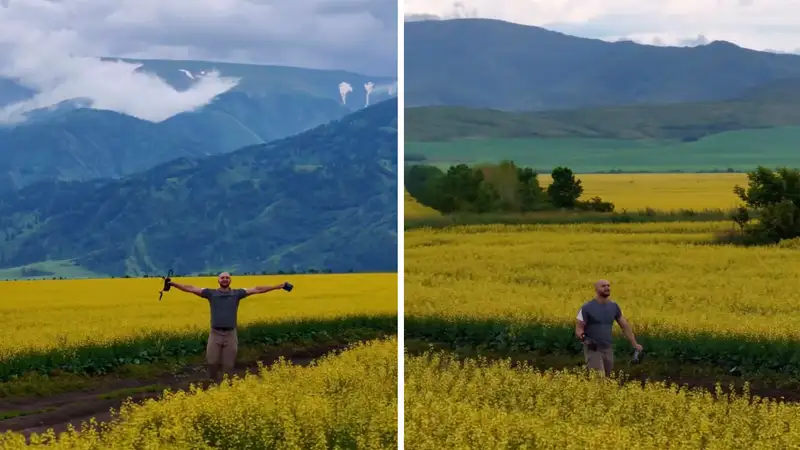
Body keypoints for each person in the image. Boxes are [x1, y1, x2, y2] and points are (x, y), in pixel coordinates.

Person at [168, 272, 288, 382]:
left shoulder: (237, 294)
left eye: (227, 278)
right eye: (222, 277)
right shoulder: (211, 293)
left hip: (230, 334)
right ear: (218, 280)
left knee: (228, 365)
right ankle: (212, 382)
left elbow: (257, 289)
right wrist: (173, 284)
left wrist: (279, 286)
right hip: (215, 333)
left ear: (230, 280)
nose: (225, 279)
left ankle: (225, 386)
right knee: (212, 362)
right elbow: (191, 288)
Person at [575, 279, 642, 377]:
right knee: (599, 378)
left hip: (608, 348)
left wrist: (634, 343)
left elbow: (625, 326)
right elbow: (578, 328)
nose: (607, 288)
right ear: (596, 289)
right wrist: (585, 339)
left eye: (608, 285)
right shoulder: (586, 308)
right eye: (603, 286)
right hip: (593, 349)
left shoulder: (614, 306)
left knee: (607, 378)